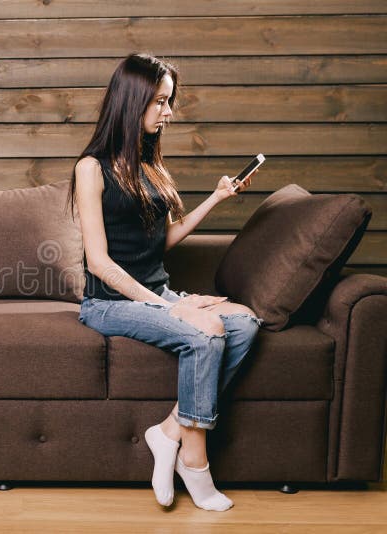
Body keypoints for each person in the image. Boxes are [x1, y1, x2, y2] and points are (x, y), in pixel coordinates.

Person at [71, 53, 260, 511]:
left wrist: (216, 198)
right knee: (205, 332)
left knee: (246, 322)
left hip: (157, 293)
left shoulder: (148, 163)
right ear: (132, 101)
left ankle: (169, 431)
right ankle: (195, 465)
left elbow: (163, 240)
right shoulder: (91, 169)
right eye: (159, 102)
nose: (168, 112)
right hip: (109, 302)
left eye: (169, 101)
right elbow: (99, 263)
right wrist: (169, 308)